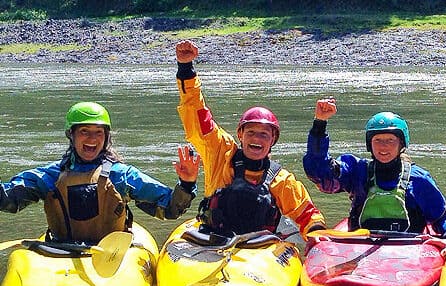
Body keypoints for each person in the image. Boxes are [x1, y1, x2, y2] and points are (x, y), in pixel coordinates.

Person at [174, 40, 326, 239]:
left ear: (272, 140)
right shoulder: (221, 152)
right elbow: (197, 114)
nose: (256, 138)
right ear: (240, 135)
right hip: (212, 239)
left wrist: (318, 236)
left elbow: (307, 215)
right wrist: (186, 69)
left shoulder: (282, 180)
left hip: (258, 249)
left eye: (264, 134)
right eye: (251, 132)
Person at [0, 101, 199, 243]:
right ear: (72, 135)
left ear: (106, 137)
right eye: (84, 131)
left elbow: (169, 208)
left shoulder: (122, 176)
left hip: (110, 255)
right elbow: (8, 198)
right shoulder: (50, 177)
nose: (92, 139)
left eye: (98, 132)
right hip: (59, 252)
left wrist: (186, 184)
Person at [303, 98, 446, 236]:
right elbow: (319, 173)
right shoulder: (357, 171)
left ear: (401, 144)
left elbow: (442, 218)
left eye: (391, 140)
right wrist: (319, 124)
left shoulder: (419, 179)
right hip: (361, 248)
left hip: (408, 254)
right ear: (370, 144)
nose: (383, 146)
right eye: (377, 140)